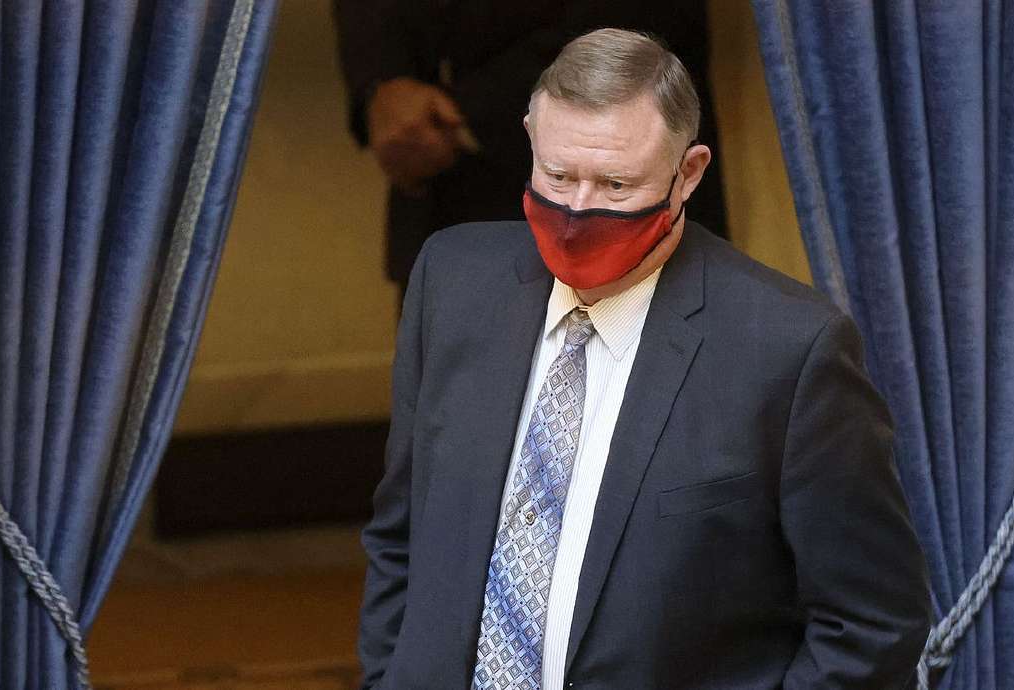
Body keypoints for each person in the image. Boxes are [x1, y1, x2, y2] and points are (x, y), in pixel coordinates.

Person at [358, 28, 932, 690]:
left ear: (687, 173)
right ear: (529, 137)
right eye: (558, 174)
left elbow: (870, 624)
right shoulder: (451, 282)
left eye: (614, 184)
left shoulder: (789, 350)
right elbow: (402, 535)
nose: (576, 210)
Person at [332, 2, 729, 299]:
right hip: (445, 205)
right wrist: (380, 84)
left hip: (634, 217)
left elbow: (648, 24)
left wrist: (460, 112)